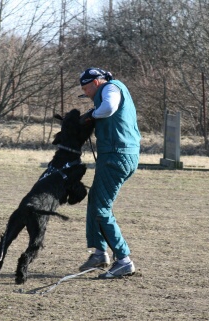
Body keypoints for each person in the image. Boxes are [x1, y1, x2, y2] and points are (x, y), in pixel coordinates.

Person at [78, 67, 141, 279]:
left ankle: (123, 260)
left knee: (101, 208)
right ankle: (99, 253)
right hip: (119, 154)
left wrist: (91, 115)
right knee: (95, 200)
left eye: (86, 88)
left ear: (95, 82)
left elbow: (109, 108)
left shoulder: (110, 88)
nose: (86, 93)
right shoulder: (111, 89)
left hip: (117, 156)